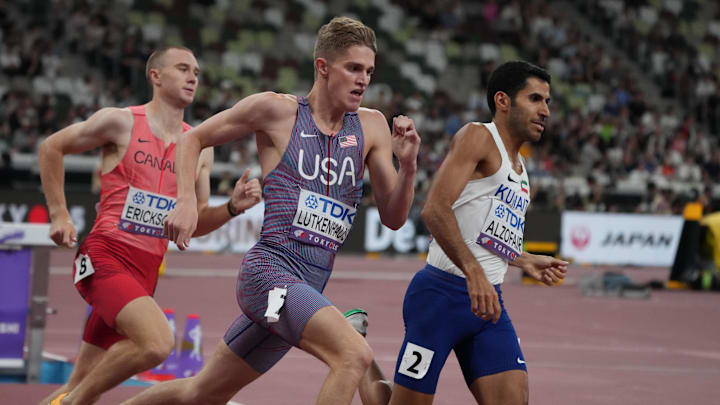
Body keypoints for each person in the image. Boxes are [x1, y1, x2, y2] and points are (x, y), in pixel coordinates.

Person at [120, 16, 420, 405]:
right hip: (269, 274)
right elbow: (192, 139)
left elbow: (394, 218)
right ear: (323, 67)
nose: (363, 80)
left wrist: (409, 167)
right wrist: (187, 202)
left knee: (201, 392)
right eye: (354, 68)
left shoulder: (372, 126)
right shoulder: (276, 111)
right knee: (353, 354)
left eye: (369, 71)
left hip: (307, 289)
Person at [38, 46, 262, 405]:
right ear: (155, 76)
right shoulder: (120, 122)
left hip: (144, 272)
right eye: (183, 69)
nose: (193, 77)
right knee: (158, 343)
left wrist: (232, 208)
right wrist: (59, 213)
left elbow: (195, 222)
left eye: (198, 73)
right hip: (105, 255)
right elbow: (51, 148)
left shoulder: (201, 148)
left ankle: (72, 398)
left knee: (78, 378)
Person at [353, 61, 568, 405]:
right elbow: (435, 209)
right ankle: (355, 352)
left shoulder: (521, 168)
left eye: (547, 102)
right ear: (503, 100)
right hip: (440, 299)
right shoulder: (477, 137)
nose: (545, 110)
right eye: (535, 99)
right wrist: (473, 273)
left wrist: (522, 258)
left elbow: (480, 232)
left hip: (487, 307)